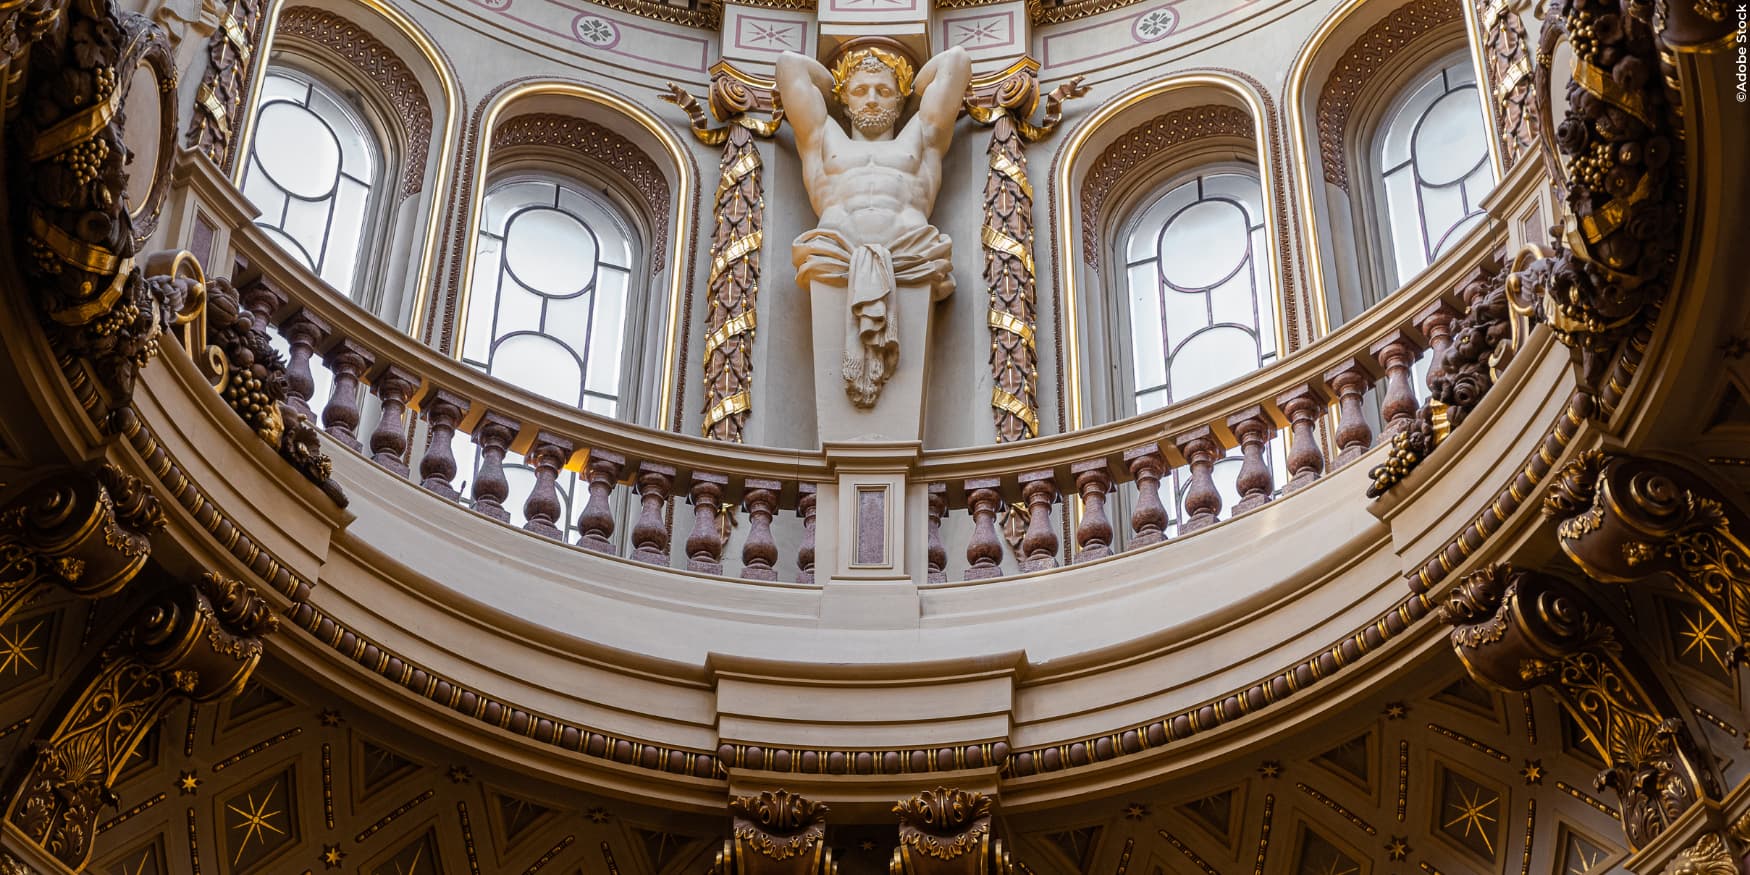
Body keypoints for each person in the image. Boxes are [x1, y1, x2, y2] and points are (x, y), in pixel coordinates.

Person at [777, 43, 972, 407]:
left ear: (899, 103)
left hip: (912, 255)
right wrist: (836, 80)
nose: (871, 99)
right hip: (832, 255)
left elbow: (956, 62)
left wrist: (911, 85)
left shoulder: (919, 137)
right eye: (859, 90)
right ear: (844, 99)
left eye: (883, 92)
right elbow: (789, 67)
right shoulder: (823, 137)